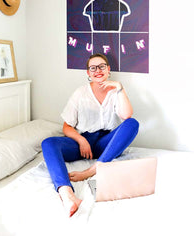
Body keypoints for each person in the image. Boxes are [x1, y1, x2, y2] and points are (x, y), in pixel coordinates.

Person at [42, 53, 139, 217]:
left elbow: (126, 115)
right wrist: (81, 140)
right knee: (48, 143)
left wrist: (120, 88)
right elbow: (67, 127)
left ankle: (93, 170)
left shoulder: (115, 91)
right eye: (92, 68)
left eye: (101, 66)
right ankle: (66, 192)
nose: (97, 71)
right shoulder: (80, 93)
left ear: (108, 69)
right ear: (88, 73)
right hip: (82, 145)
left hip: (105, 145)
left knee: (132, 123)